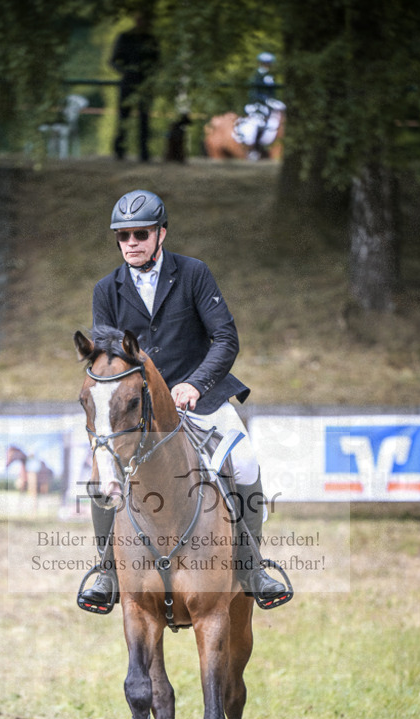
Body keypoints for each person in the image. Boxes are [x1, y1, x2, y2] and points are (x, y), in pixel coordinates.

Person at [78, 188, 290, 612]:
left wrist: (195, 384)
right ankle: (106, 571)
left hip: (202, 398)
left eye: (141, 234)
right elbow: (108, 357)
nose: (131, 243)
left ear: (161, 233)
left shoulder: (193, 273)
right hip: (140, 410)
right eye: (123, 236)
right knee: (104, 470)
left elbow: (225, 339)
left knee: (245, 461)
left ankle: (252, 567)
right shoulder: (107, 290)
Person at [110, 14, 159, 162]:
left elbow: (157, 61)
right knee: (124, 116)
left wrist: (149, 74)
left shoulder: (150, 39)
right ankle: (120, 150)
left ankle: (144, 152)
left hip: (144, 84)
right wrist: (126, 71)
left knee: (144, 119)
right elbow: (114, 61)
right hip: (128, 82)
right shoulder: (125, 38)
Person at [236, 52, 286, 160]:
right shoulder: (257, 76)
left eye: (268, 63)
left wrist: (274, 101)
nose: (267, 65)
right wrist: (266, 100)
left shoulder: (270, 76)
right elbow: (255, 93)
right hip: (257, 105)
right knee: (259, 124)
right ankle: (254, 150)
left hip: (269, 104)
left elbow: (271, 92)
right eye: (265, 63)